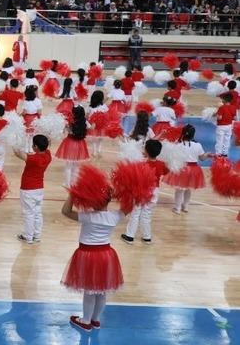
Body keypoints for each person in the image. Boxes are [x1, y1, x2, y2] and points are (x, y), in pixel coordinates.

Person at [61, 188, 125, 332]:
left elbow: (65, 211)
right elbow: (128, 207)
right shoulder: (114, 216)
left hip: (88, 256)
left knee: (89, 291)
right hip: (106, 256)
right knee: (102, 291)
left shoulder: (87, 216)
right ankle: (96, 320)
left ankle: (85, 321)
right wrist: (131, 192)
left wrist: (72, 194)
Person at [121, 140, 168, 244]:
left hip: (142, 189)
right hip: (154, 191)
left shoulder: (142, 163)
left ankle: (130, 236)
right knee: (147, 213)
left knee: (136, 212)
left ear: (146, 151)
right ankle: (147, 237)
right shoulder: (161, 164)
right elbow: (166, 171)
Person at [13, 135, 51, 244]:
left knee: (28, 213)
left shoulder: (33, 159)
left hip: (28, 189)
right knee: (37, 212)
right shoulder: (48, 156)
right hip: (39, 188)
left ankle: (27, 237)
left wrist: (12, 139)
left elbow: (17, 153)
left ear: (36, 147)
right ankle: (37, 235)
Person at [164, 124, 210, 214]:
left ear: (183, 133)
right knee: (188, 188)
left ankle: (177, 208)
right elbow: (202, 158)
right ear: (193, 135)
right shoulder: (198, 145)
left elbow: (172, 156)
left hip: (182, 168)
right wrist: (207, 155)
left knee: (180, 189)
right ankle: (186, 207)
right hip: (194, 169)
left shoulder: (178, 144)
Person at [57, 106, 90, 186]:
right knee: (76, 165)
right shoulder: (85, 121)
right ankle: (74, 183)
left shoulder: (70, 121)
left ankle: (66, 183)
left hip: (70, 143)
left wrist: (67, 127)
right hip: (80, 144)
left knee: (68, 166)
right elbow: (89, 127)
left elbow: (63, 131)